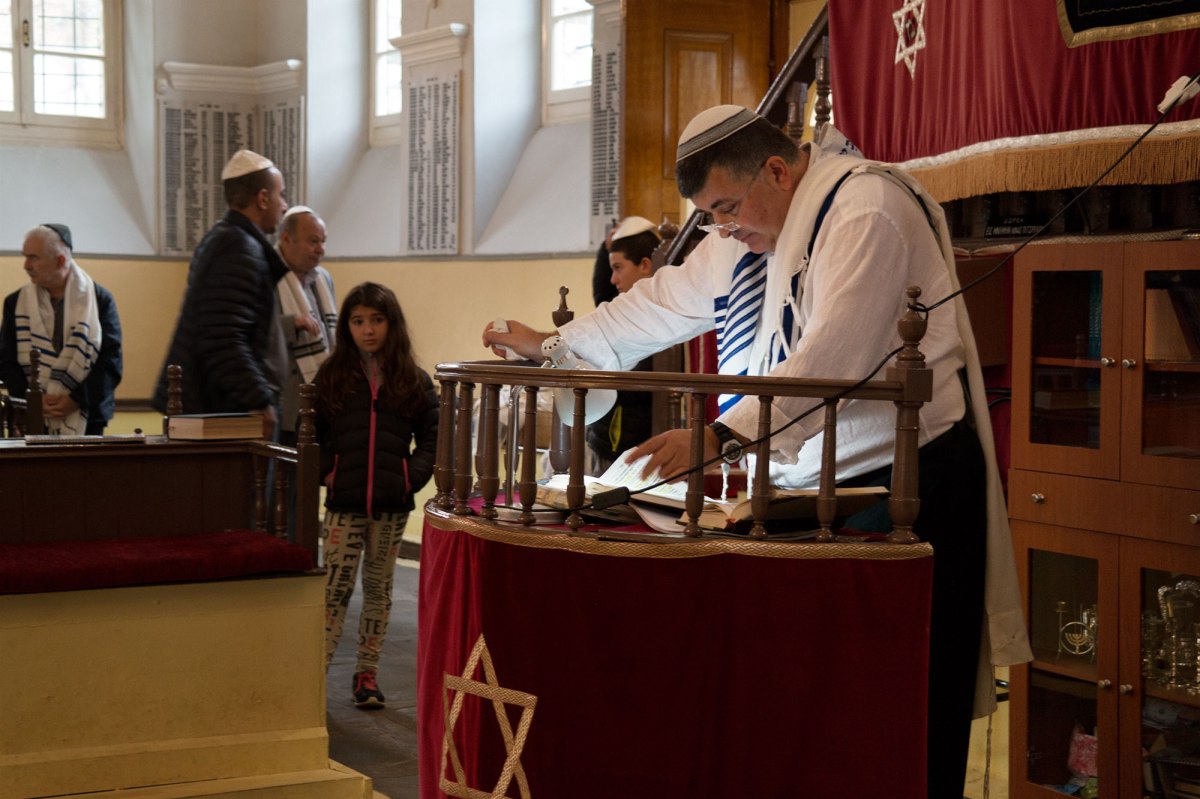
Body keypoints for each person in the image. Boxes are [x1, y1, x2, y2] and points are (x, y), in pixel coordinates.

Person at [483, 105, 1031, 798]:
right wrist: (555, 344)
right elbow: (658, 303)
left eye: (727, 209)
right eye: (711, 217)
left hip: (906, 488)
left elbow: (834, 358)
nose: (724, 228)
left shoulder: (867, 208)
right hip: (811, 493)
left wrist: (717, 438)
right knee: (817, 713)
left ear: (776, 169)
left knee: (899, 708)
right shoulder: (743, 241)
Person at [315, 282, 438, 709]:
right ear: (346, 326)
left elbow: (433, 437)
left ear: (392, 324)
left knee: (378, 589)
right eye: (358, 321)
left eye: (377, 320)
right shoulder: (331, 377)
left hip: (390, 505)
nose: (367, 330)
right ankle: (315, 675)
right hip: (343, 505)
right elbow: (311, 434)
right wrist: (329, 472)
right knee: (333, 590)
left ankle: (367, 674)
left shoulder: (413, 380)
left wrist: (409, 477)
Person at [152, 149, 289, 433]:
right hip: (221, 409)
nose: (285, 205)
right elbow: (222, 336)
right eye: (281, 195)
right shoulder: (239, 247)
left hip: (213, 404)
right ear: (263, 198)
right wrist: (258, 399)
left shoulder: (225, 239)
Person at [0, 224, 122, 435]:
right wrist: (33, 399)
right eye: (25, 257)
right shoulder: (15, 303)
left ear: (60, 260)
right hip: (31, 414)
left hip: (88, 414)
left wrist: (77, 399)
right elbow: (6, 359)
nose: (26, 265)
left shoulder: (99, 300)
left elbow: (111, 361)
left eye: (33, 257)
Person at [586, 216, 661, 471]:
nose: (613, 279)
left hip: (633, 446)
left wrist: (593, 368)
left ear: (645, 265)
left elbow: (638, 382)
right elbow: (603, 295)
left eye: (618, 268)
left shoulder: (661, 316)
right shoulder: (625, 308)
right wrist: (605, 249)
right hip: (606, 440)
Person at [275, 205, 336, 445]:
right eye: (313, 241)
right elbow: (252, 332)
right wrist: (291, 323)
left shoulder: (323, 278)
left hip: (322, 394)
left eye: (323, 241)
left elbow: (331, 332)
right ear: (286, 239)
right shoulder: (265, 275)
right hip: (285, 399)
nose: (320, 249)